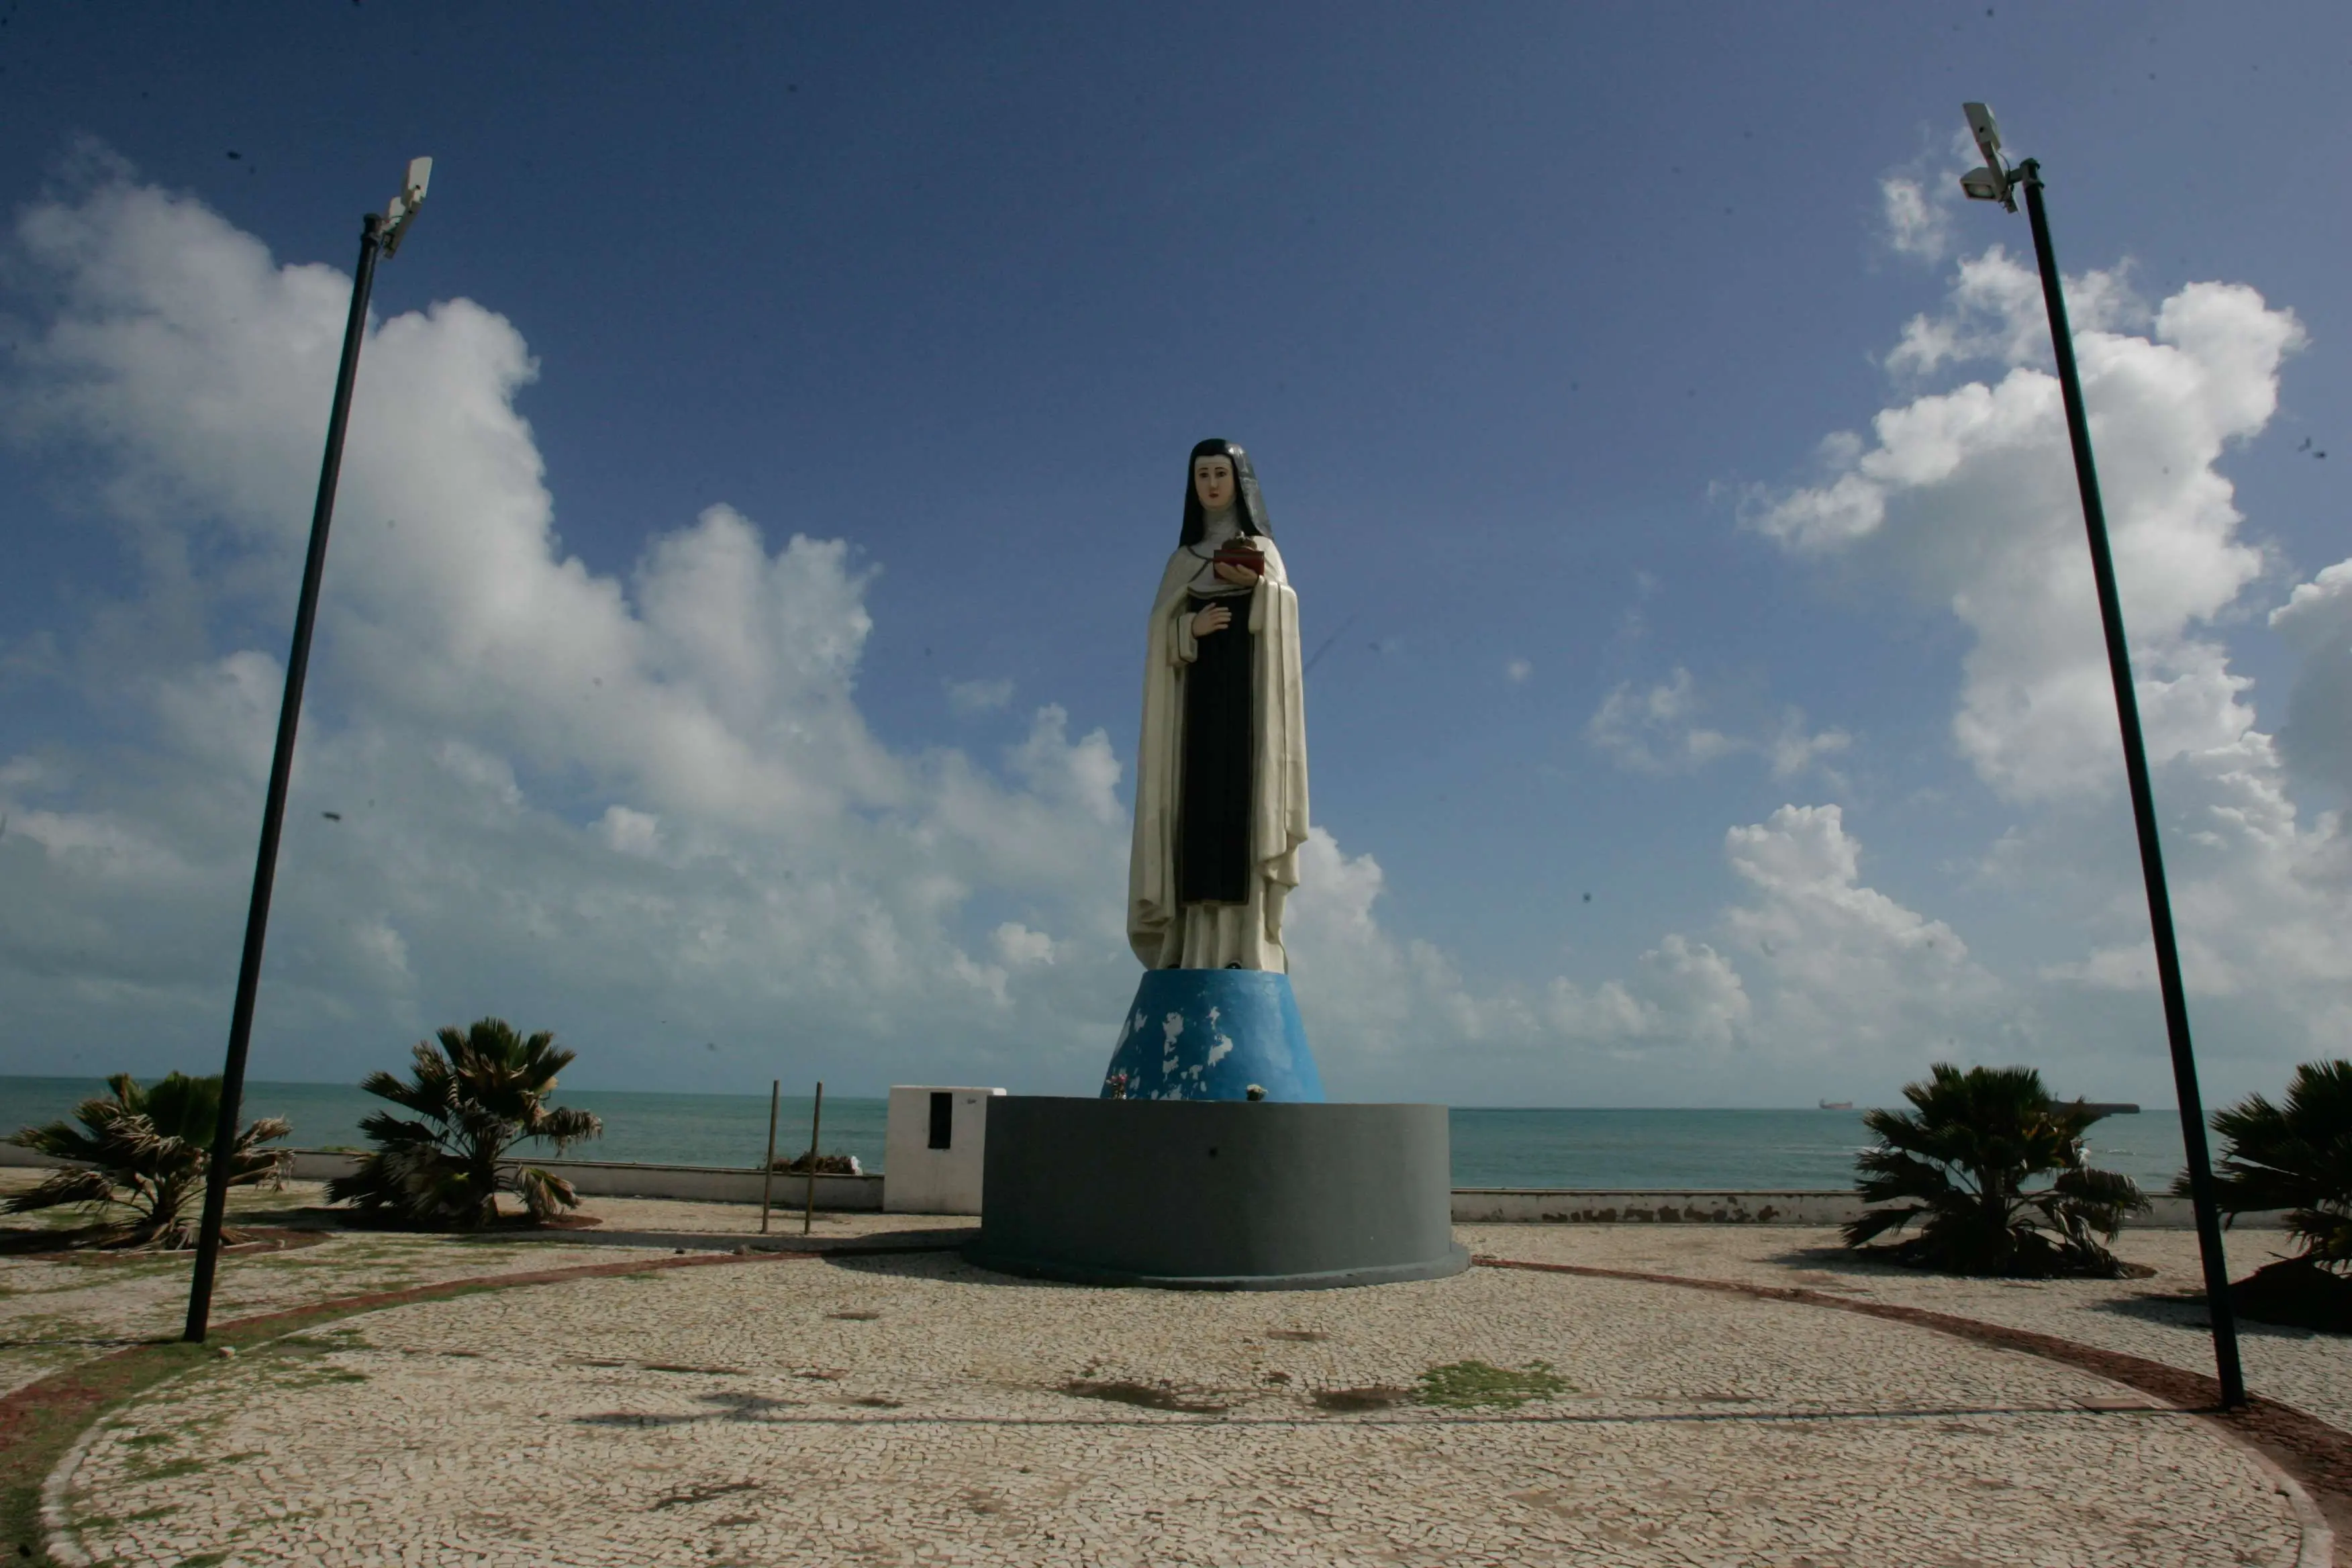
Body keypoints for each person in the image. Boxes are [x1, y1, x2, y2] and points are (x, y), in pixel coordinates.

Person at [1126, 439, 1309, 972]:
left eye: (1220, 474)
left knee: (1245, 817)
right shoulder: (1183, 561)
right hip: (1193, 719)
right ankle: (1190, 947)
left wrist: (1258, 589)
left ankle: (1245, 945)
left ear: (1239, 483)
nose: (1211, 485)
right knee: (1193, 820)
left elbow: (1286, 615)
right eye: (1202, 475)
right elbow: (1159, 630)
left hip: (1248, 713)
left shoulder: (1263, 550)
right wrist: (1190, 626)